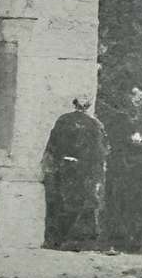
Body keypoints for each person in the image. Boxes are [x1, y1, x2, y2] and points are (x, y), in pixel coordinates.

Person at [41, 95, 108, 249]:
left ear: (75, 105)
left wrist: (55, 163)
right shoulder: (94, 124)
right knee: (82, 203)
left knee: (62, 203)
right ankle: (78, 241)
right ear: (88, 106)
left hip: (65, 167)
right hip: (83, 170)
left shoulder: (63, 120)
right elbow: (100, 151)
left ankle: (57, 240)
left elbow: (52, 145)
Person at [103, 84, 142, 253]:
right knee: (121, 201)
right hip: (122, 166)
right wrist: (141, 141)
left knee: (140, 202)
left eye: (141, 96)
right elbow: (128, 139)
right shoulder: (120, 118)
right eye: (134, 95)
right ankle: (120, 239)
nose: (137, 99)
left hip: (141, 168)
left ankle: (140, 240)